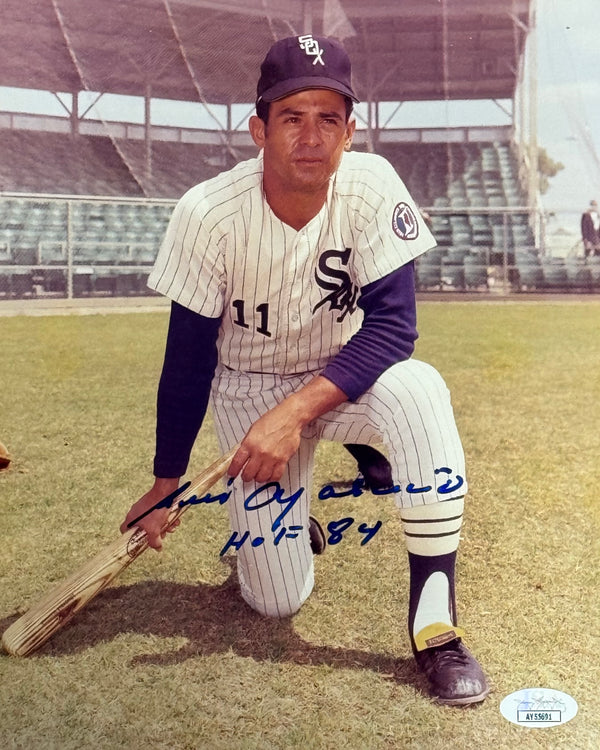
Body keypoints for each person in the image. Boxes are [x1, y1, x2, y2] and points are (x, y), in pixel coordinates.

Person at [121, 34, 489, 706]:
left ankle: (436, 627)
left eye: (328, 119)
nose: (312, 137)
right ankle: (288, 525)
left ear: (349, 133)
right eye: (292, 118)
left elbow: (396, 328)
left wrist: (295, 415)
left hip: (341, 373)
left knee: (419, 387)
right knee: (277, 601)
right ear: (259, 129)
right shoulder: (208, 213)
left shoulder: (374, 185)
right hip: (248, 385)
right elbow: (186, 359)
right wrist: (165, 482)